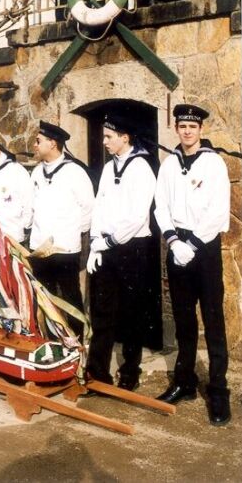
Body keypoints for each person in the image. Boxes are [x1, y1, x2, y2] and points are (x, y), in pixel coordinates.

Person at [154, 104, 231, 426]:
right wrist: (173, 241)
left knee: (212, 321)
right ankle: (184, 382)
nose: (187, 131)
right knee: (184, 319)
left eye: (193, 126)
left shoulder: (213, 164)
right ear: (176, 128)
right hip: (177, 247)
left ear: (200, 130)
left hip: (204, 247)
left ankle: (217, 391)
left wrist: (193, 244)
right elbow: (161, 206)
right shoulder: (170, 164)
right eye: (183, 126)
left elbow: (218, 211)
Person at [85, 111, 156, 390]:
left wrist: (109, 241)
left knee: (132, 312)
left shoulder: (141, 168)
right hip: (105, 246)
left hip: (132, 248)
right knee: (103, 311)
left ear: (125, 138)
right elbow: (99, 206)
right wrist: (95, 243)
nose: (104, 141)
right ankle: (97, 370)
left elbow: (138, 216)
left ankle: (130, 372)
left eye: (109, 136)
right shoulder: (108, 167)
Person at [29, 121, 94, 339]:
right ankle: (51, 340)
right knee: (44, 298)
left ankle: (76, 342)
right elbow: (32, 207)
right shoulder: (37, 173)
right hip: (39, 247)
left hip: (65, 248)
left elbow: (88, 209)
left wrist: (71, 233)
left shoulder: (75, 172)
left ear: (53, 143)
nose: (35, 145)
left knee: (69, 297)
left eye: (39, 141)